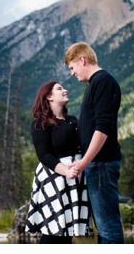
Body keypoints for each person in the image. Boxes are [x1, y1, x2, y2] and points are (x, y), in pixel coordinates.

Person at [65, 42, 124, 244]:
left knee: (108, 227)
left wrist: (84, 162)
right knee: (104, 226)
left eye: (72, 67)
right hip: (98, 164)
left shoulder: (103, 81)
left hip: (101, 164)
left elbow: (103, 128)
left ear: (82, 60)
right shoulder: (97, 83)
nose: (72, 73)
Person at [25, 81, 90, 244]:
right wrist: (66, 171)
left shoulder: (73, 120)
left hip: (75, 178)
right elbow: (44, 155)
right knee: (53, 229)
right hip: (54, 177)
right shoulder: (41, 123)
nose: (65, 90)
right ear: (49, 97)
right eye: (59, 89)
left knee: (67, 231)